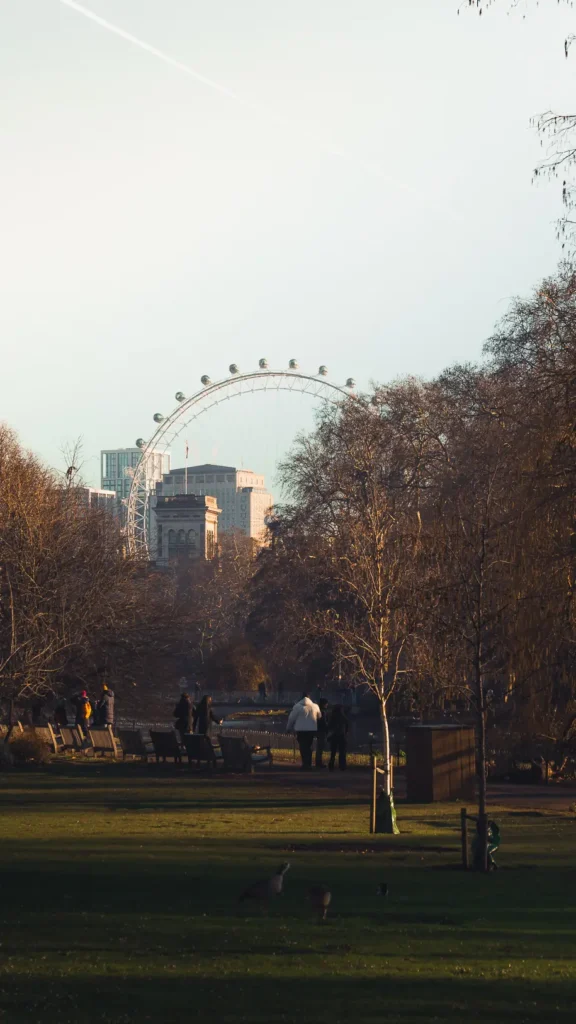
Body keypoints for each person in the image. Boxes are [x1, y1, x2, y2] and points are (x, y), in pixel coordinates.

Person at [286, 693, 322, 770]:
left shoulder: (297, 707)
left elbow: (291, 719)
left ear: (301, 698)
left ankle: (305, 764)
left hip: (300, 730)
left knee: (303, 746)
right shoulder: (315, 706)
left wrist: (288, 728)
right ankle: (308, 763)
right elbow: (319, 716)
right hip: (311, 730)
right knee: (309, 746)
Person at [328, 704, 349, 771]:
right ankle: (342, 765)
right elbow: (347, 727)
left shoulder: (332, 717)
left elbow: (330, 726)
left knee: (333, 752)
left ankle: (331, 765)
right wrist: (345, 733)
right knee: (342, 752)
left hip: (334, 736)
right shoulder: (344, 718)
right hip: (342, 736)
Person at [315, 698, 329, 768]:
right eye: (326, 703)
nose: (327, 705)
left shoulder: (318, 711)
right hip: (321, 731)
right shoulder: (322, 712)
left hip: (318, 730)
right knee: (320, 747)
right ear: (324, 704)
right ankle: (318, 763)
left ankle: (318, 762)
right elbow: (323, 722)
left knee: (319, 747)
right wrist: (327, 727)